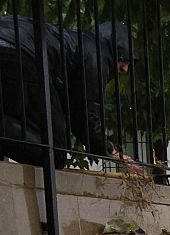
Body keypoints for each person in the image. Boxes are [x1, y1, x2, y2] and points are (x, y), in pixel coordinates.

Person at [0, 18, 135, 170]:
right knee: (55, 153)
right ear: (116, 49)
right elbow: (85, 115)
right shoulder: (96, 54)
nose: (125, 69)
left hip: (13, 46)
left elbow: (75, 113)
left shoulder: (76, 46)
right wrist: (111, 151)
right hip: (20, 54)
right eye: (125, 59)